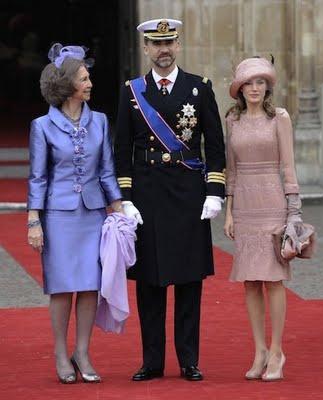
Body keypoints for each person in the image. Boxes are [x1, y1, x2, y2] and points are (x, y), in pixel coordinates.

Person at [114, 19, 226, 381]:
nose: (163, 50)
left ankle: (189, 360)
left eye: (170, 43)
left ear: (178, 46)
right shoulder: (132, 91)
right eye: (156, 44)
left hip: (189, 194)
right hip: (146, 195)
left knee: (189, 280)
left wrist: (214, 190)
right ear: (146, 49)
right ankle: (152, 361)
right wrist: (125, 197)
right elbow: (121, 150)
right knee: (149, 283)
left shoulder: (199, 88)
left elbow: (215, 144)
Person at [27, 43, 122, 384]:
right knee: (63, 287)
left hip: (93, 215)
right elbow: (38, 177)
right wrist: (34, 220)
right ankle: (59, 352)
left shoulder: (100, 121)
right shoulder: (43, 126)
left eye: (89, 77)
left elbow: (107, 172)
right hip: (59, 216)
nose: (90, 82)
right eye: (84, 78)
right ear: (67, 85)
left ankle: (82, 351)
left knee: (89, 286)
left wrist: (120, 211)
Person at [224, 56, 303, 381]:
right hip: (244, 205)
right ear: (240, 88)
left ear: (267, 87)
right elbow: (232, 169)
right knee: (251, 281)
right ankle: (258, 351)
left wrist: (294, 212)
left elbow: (288, 166)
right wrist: (228, 212)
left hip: (273, 203)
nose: (255, 88)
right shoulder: (232, 119)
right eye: (249, 83)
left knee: (272, 279)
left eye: (260, 82)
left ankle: (276, 350)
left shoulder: (279, 118)